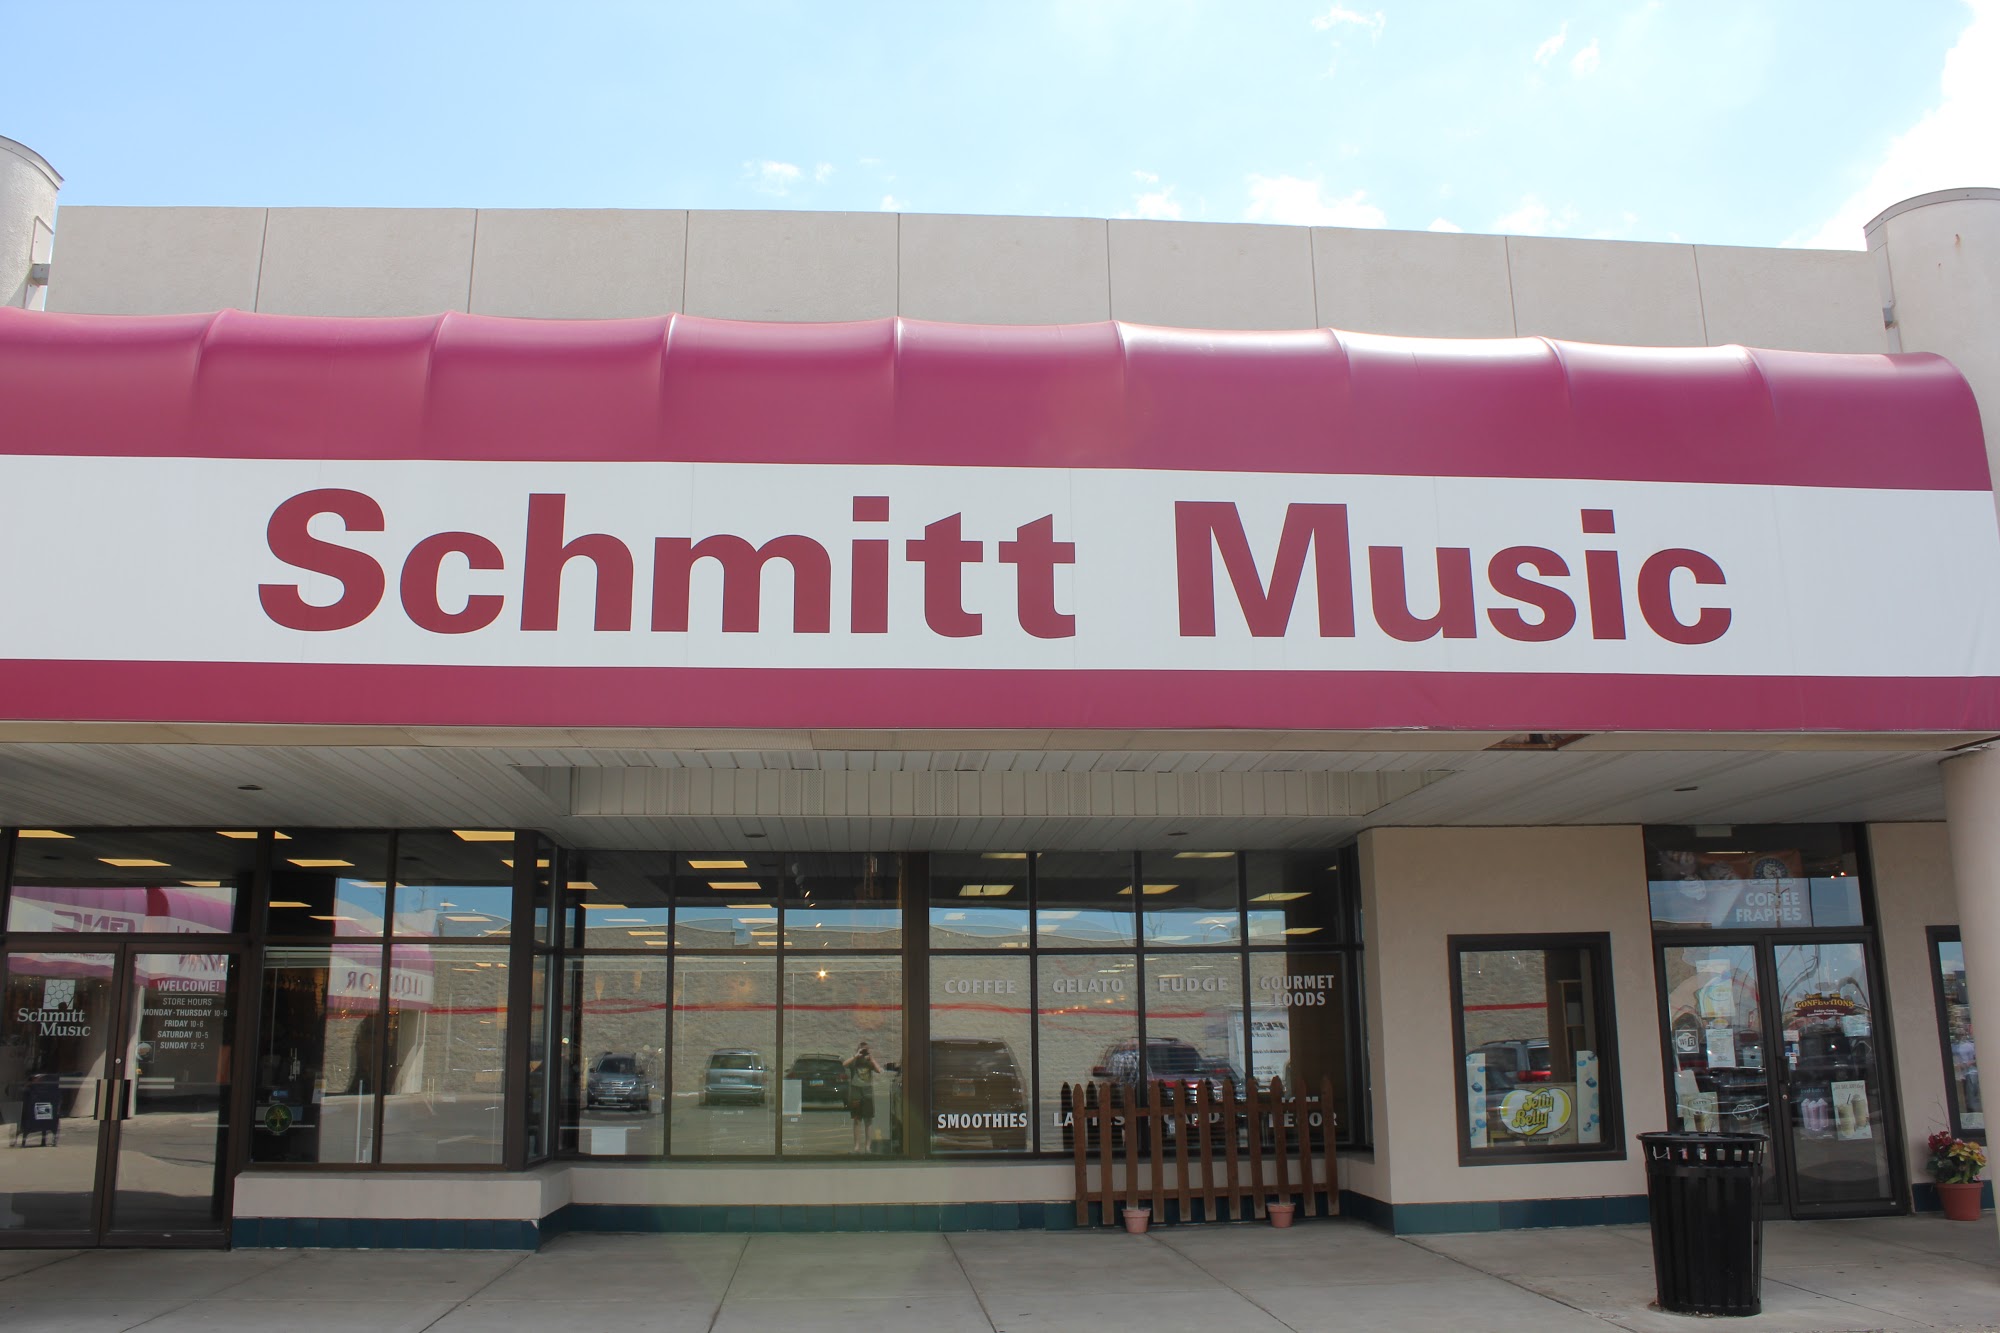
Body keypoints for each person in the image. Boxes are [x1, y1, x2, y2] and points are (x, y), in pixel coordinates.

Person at [844, 1041, 883, 1153]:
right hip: (856, 1091)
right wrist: (855, 1056)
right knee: (857, 1119)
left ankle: (867, 1147)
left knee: (868, 1120)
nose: (864, 1052)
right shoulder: (854, 1061)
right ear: (858, 1050)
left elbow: (879, 1070)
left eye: (866, 1050)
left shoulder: (869, 1062)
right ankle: (857, 1146)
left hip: (867, 1092)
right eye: (862, 1050)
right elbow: (844, 1064)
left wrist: (871, 1058)